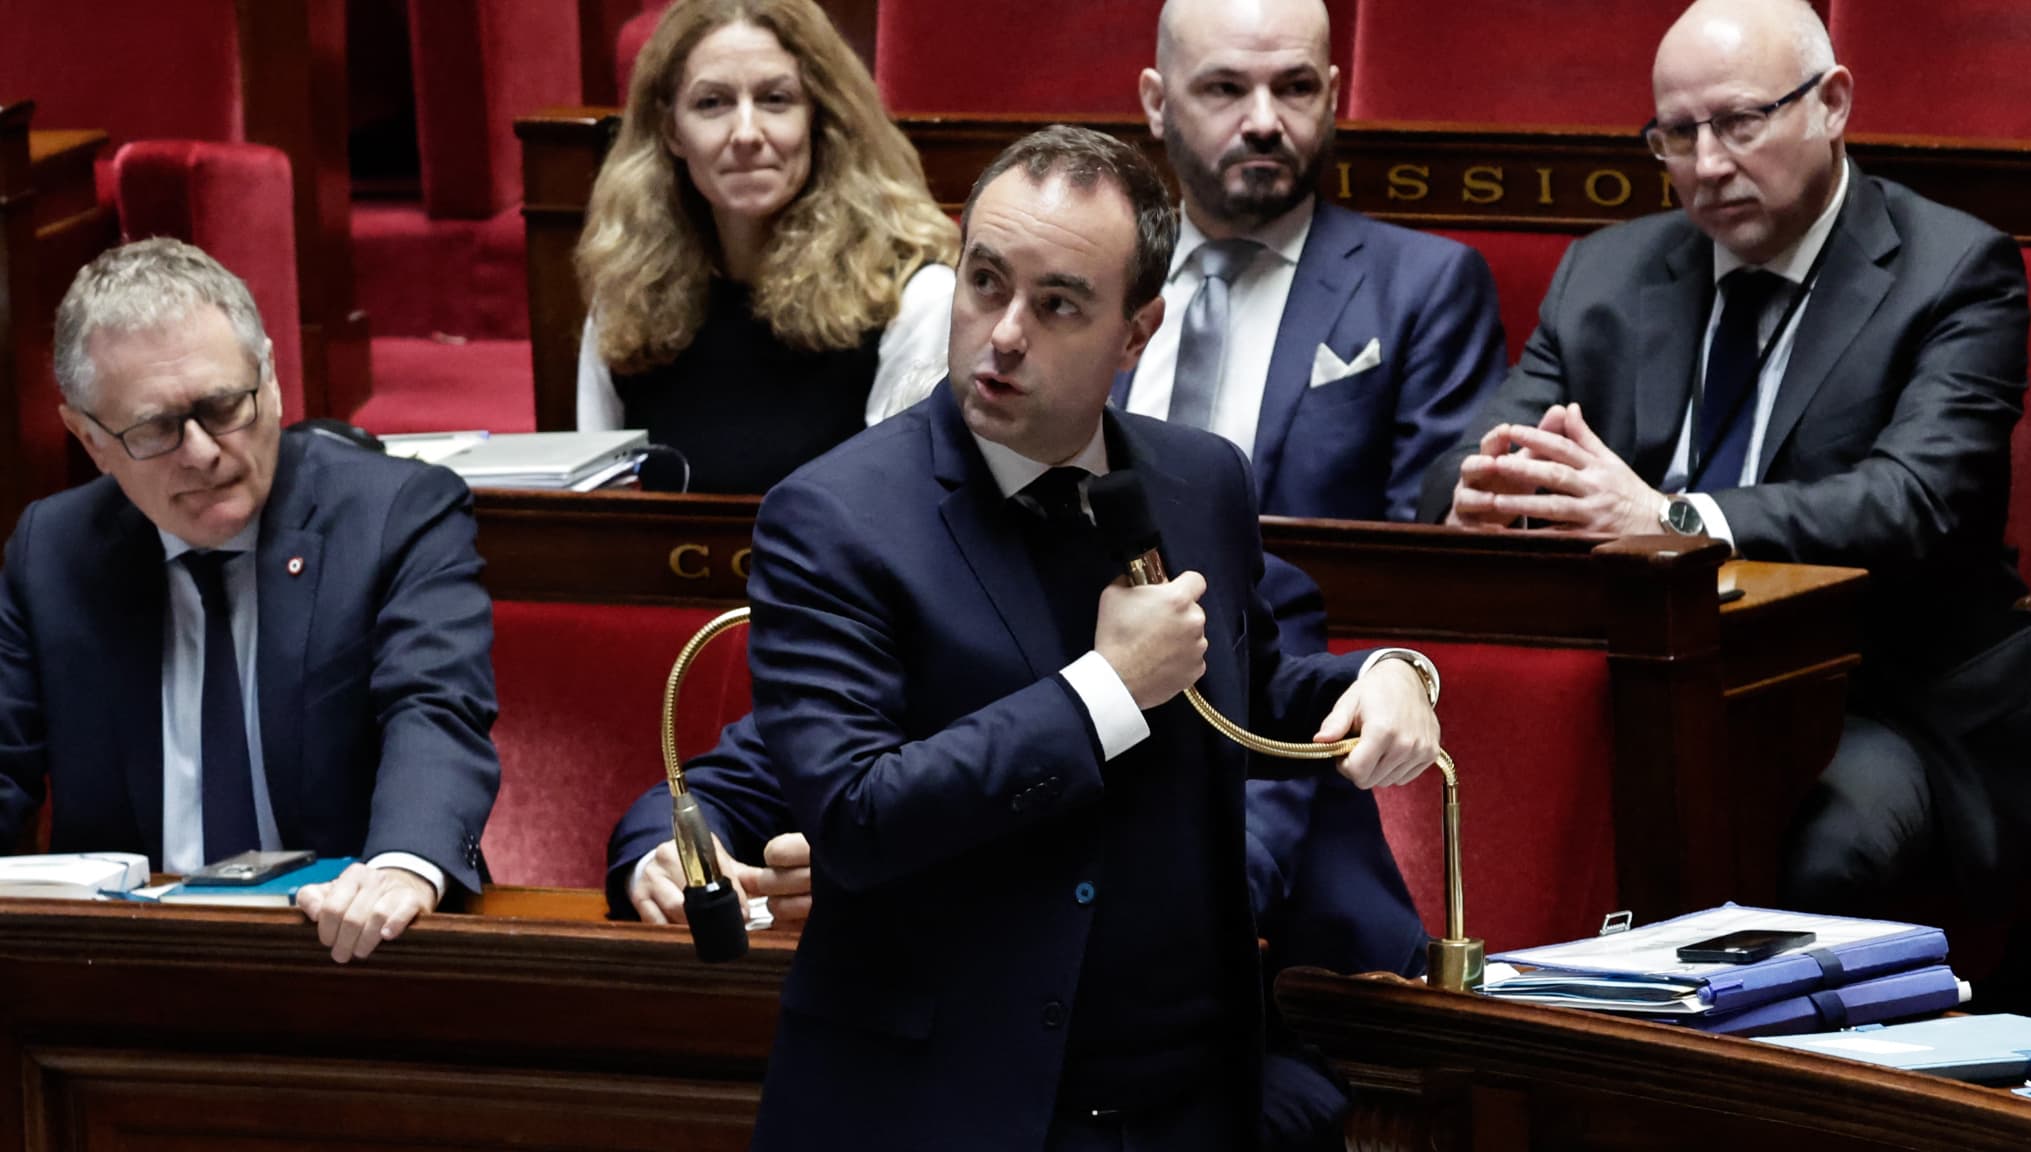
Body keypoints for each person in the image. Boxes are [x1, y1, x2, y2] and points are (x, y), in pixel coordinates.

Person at [743, 125, 1442, 1152]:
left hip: (1185, 1101)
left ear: (1136, 332)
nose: (1003, 334)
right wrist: (1104, 693)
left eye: (1057, 302)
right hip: (945, 1106)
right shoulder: (833, 517)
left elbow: (1234, 683)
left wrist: (1388, 675)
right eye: (984, 283)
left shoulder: (1198, 479)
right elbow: (856, 813)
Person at [1418, 0, 2031, 933]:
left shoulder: (1954, 271)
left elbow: (1915, 503)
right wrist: (1483, 495)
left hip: (1880, 691)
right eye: (1678, 133)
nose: (1707, 166)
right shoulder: (1606, 274)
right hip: (1648, 679)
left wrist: (1671, 521)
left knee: (1820, 845)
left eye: (1742, 122)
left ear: (1832, 103)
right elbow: (1469, 462)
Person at [0, 238, 500, 964]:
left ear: (270, 378)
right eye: (155, 429)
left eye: (222, 405)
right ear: (89, 437)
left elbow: (436, 708)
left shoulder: (394, 514)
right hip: (124, 971)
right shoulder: (54, 549)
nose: (201, 452)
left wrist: (400, 864)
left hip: (350, 950)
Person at [1121, 0, 1505, 524]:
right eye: (1225, 89)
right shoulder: (1104, 272)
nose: (1263, 123)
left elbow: (1429, 545)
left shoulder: (1425, 287)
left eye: (1295, 88)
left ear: (1332, 97)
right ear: (1158, 103)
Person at [574, 0, 959, 493]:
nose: (746, 134)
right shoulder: (627, 297)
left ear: (819, 118)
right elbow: (600, 519)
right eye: (711, 103)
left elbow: (898, 519)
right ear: (671, 129)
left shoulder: (915, 298)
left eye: (776, 99)